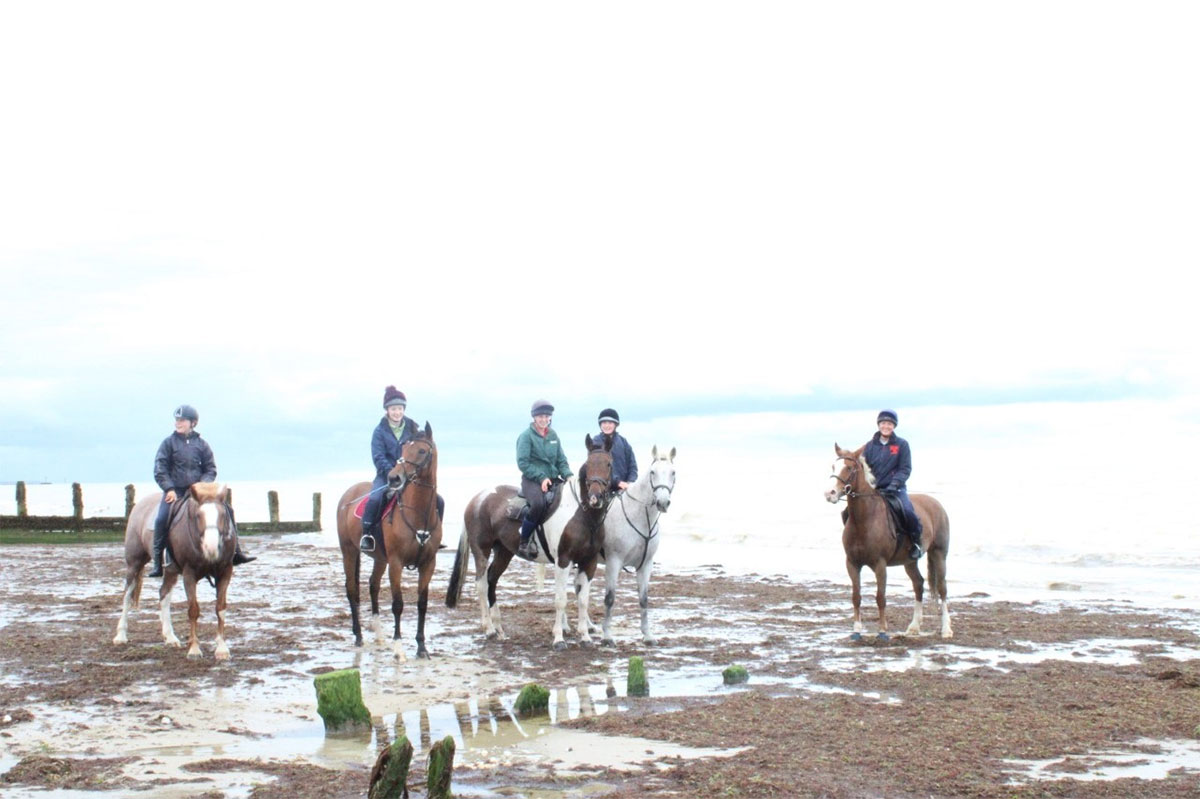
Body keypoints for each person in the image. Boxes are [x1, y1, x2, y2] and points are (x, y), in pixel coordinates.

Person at [148, 404, 255, 578]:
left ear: (193, 423)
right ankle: (158, 563)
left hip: (199, 493)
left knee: (228, 510)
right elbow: (160, 468)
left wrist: (202, 485)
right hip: (176, 492)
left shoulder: (202, 445)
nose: (178, 423)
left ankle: (237, 552)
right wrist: (169, 488)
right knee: (161, 519)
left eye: (182, 420)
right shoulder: (168, 443)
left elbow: (211, 469)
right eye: (177, 420)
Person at [360, 385, 444, 553]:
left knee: (439, 501)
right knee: (375, 499)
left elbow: (419, 447)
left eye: (399, 408)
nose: (397, 412)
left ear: (403, 409)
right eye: (393, 409)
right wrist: (392, 470)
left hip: (409, 476)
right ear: (387, 410)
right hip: (387, 475)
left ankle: (434, 536)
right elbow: (378, 457)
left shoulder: (412, 427)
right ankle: (367, 535)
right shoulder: (379, 431)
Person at [515, 399, 572, 560]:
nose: (544, 419)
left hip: (553, 479)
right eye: (540, 416)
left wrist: (568, 475)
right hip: (531, 480)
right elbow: (523, 463)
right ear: (534, 418)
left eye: (547, 416)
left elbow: (561, 459)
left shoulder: (553, 435)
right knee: (539, 504)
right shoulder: (526, 436)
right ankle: (524, 540)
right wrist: (541, 478)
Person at [863, 408, 923, 560]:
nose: (886, 426)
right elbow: (864, 469)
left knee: (908, 512)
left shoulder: (902, 445)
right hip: (875, 490)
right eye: (883, 423)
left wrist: (894, 484)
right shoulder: (869, 447)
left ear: (894, 426)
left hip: (896, 490)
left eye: (889, 424)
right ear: (879, 425)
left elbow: (905, 469)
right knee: (849, 513)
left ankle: (916, 542)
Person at [578, 408, 638, 492]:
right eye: (604, 423)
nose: (607, 426)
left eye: (610, 423)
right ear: (600, 425)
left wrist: (630, 482)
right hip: (603, 489)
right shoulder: (595, 442)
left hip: (624, 488)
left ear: (615, 424)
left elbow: (632, 465)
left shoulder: (623, 442)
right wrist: (617, 482)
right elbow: (596, 468)